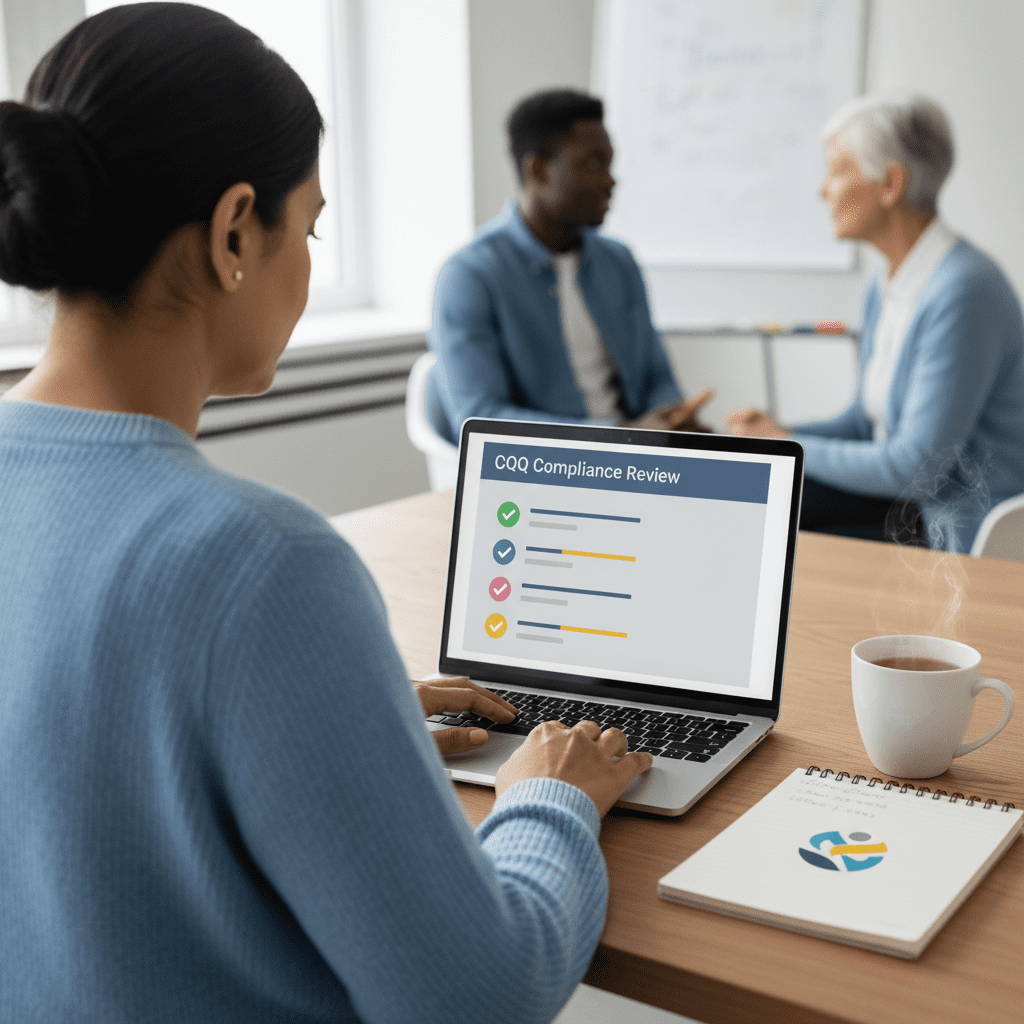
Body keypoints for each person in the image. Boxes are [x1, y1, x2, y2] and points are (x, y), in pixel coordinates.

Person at [0, 7, 652, 1022]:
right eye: (309, 226)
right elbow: (482, 995)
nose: (307, 259)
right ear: (231, 233)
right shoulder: (264, 564)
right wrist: (552, 795)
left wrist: (334, 720)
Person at [726, 93, 1024, 553]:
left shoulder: (964, 290)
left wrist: (787, 444)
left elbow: (916, 468)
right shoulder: (887, 283)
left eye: (837, 170)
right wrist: (777, 433)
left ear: (890, 184)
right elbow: (866, 424)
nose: (823, 189)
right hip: (908, 505)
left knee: (771, 510)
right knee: (758, 494)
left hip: (955, 525)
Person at [428, 88, 712, 442]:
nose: (611, 181)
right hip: (553, 474)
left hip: (642, 457)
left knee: (771, 485)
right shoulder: (470, 275)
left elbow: (657, 376)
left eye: (610, 164)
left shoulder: (619, 261)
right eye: (594, 164)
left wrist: (673, 418)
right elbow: (481, 419)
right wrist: (621, 437)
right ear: (539, 171)